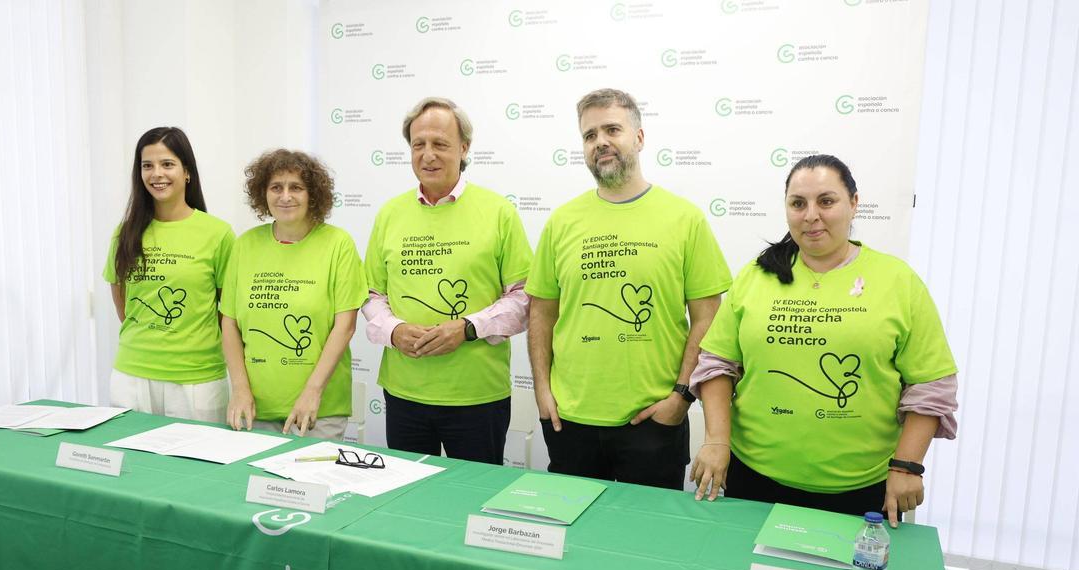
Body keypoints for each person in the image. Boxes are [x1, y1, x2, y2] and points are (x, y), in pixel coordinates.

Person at [688, 154, 958, 526]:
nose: (811, 215)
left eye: (826, 201)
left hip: (860, 491)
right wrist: (716, 441)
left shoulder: (898, 281)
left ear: (854, 203)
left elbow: (931, 383)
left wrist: (907, 465)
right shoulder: (756, 276)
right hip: (754, 480)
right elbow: (717, 363)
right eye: (798, 203)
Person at [526, 88, 731, 489]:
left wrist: (681, 397)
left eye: (612, 130)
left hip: (653, 420)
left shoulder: (684, 219)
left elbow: (708, 318)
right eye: (589, 135)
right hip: (570, 419)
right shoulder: (561, 222)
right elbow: (541, 313)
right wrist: (542, 391)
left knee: (648, 543)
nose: (600, 141)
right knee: (572, 542)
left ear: (638, 137)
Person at [362, 96, 533, 463]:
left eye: (440, 144)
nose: (428, 155)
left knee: (474, 501)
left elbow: (523, 298)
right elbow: (372, 294)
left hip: (477, 397)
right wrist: (393, 330)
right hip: (404, 393)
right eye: (418, 144)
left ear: (464, 148)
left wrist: (468, 328)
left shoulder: (499, 212)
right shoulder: (390, 214)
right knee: (409, 503)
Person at [220, 149, 366, 440]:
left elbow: (345, 326)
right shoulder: (245, 245)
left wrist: (312, 392)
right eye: (276, 187)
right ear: (263, 194)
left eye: (296, 187)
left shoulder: (338, 244)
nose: (285, 196)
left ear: (313, 194)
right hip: (254, 408)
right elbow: (229, 323)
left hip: (318, 410)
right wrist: (239, 389)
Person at [103, 127, 235, 422]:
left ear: (187, 171)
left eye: (167, 164)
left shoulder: (218, 233)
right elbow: (123, 303)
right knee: (133, 466)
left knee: (195, 467)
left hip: (197, 380)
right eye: (147, 165)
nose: (156, 174)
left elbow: (228, 313)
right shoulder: (125, 233)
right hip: (131, 376)